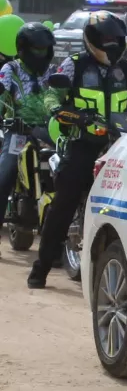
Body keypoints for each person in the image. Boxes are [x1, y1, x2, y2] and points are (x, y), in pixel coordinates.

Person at [28, 10, 127, 289]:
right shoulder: (75, 64)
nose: (113, 44)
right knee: (64, 203)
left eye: (117, 39)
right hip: (83, 144)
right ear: (93, 39)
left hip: (117, 146)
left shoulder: (126, 69)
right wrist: (60, 110)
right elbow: (51, 94)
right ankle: (40, 269)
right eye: (107, 39)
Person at [0, 22, 55, 256]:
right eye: (37, 49)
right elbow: (2, 90)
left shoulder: (53, 71)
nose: (41, 54)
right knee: (4, 176)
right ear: (23, 48)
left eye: (45, 49)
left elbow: (62, 94)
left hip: (47, 133)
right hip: (18, 133)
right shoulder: (10, 69)